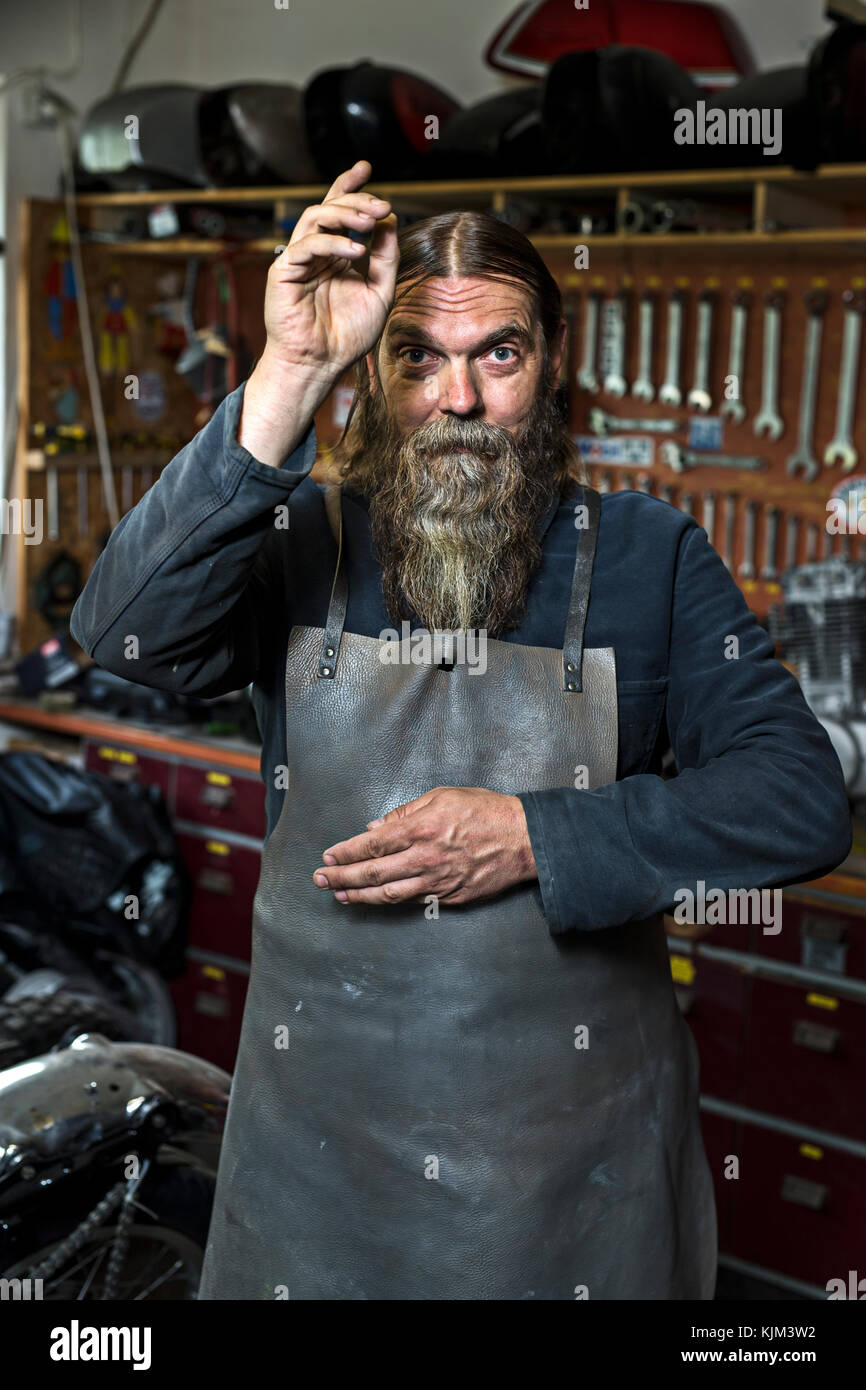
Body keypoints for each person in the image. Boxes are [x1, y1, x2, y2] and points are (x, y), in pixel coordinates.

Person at [70, 160, 852, 1301]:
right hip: (315, 1164)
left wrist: (536, 835)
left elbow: (796, 800)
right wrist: (289, 372)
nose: (459, 400)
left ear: (551, 362)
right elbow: (123, 635)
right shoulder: (298, 538)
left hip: (572, 1181)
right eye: (417, 358)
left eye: (499, 352)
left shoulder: (646, 555)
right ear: (374, 376)